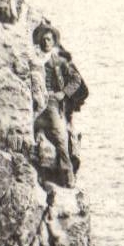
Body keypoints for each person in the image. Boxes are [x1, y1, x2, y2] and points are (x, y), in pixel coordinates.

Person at [32, 22, 86, 187]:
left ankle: (68, 176)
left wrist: (63, 93)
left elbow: (76, 79)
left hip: (52, 103)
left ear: (54, 42)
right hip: (35, 102)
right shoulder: (34, 59)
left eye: (49, 39)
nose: (46, 42)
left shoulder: (59, 61)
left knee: (61, 138)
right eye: (43, 39)